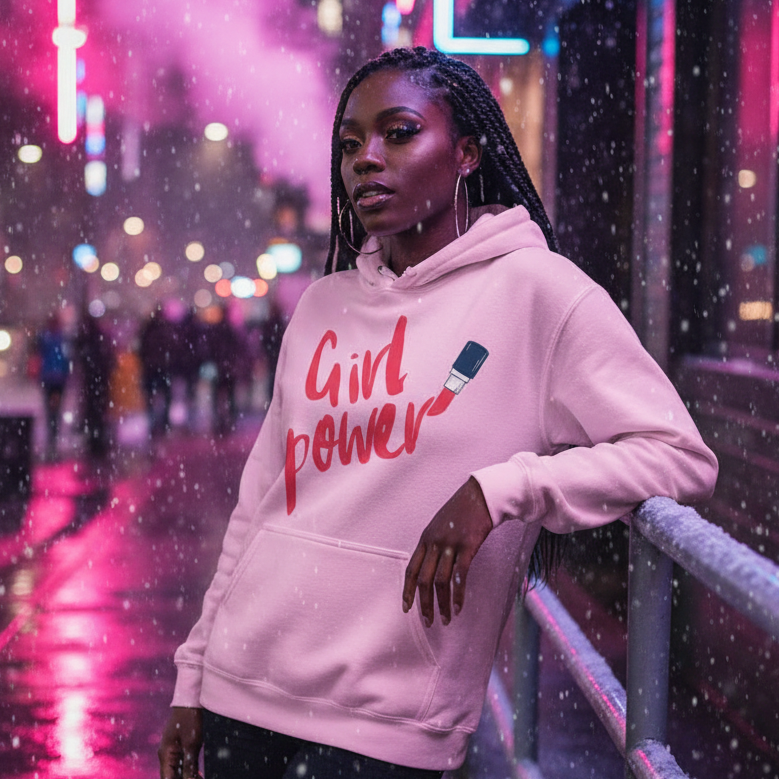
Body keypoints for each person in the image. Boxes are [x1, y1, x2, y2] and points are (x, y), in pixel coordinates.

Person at [158, 47, 717, 779]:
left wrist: (501, 489)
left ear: (464, 152)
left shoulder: (537, 294)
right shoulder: (322, 307)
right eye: (351, 144)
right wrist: (192, 676)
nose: (365, 160)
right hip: (241, 695)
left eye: (397, 132)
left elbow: (678, 456)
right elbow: (258, 506)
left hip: (388, 726)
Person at [36, 312, 70, 461]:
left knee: (53, 411)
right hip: (53, 380)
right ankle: (52, 440)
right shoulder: (56, 339)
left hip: (54, 380)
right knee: (53, 411)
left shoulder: (48, 339)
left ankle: (53, 440)